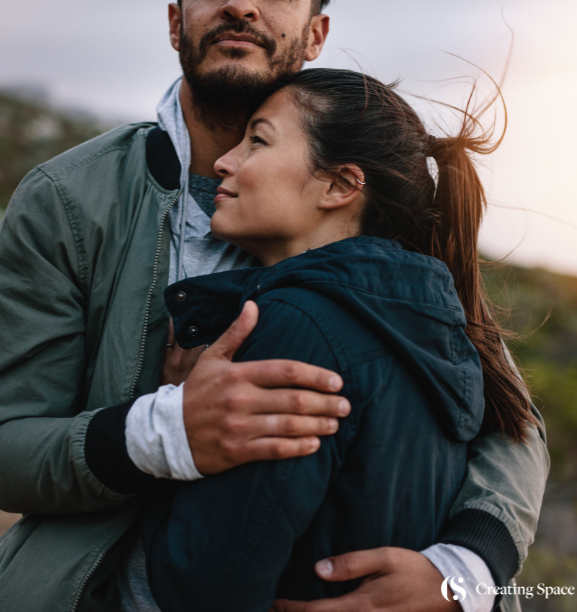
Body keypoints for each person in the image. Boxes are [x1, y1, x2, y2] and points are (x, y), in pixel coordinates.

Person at [0, 1, 550, 611]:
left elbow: (509, 417)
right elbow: (2, 447)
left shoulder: (377, 204)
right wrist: (162, 431)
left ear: (316, 32)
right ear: (174, 21)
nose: (243, 4)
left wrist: (466, 569)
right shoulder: (67, 201)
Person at [141, 67, 535, 612]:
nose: (225, 161)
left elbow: (203, 584)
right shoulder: (433, 325)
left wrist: (176, 426)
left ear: (340, 185)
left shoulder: (294, 325)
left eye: (257, 140)